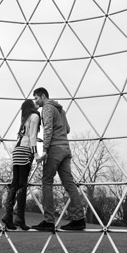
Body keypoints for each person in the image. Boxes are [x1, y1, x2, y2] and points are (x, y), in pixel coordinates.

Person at [30, 87, 86, 231]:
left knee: (46, 181)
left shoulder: (47, 108)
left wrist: (45, 149)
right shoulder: (60, 109)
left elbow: (48, 128)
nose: (35, 102)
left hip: (54, 149)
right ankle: (79, 219)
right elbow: (67, 129)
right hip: (65, 149)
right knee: (69, 184)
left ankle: (49, 220)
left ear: (43, 96)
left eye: (36, 98)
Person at [2, 99, 42, 230]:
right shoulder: (35, 116)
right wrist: (36, 154)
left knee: (15, 183)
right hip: (26, 152)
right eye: (34, 102)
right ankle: (20, 218)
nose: (36, 103)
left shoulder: (24, 119)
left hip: (17, 151)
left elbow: (25, 135)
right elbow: (30, 137)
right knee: (22, 185)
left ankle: (8, 216)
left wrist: (36, 138)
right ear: (31, 106)